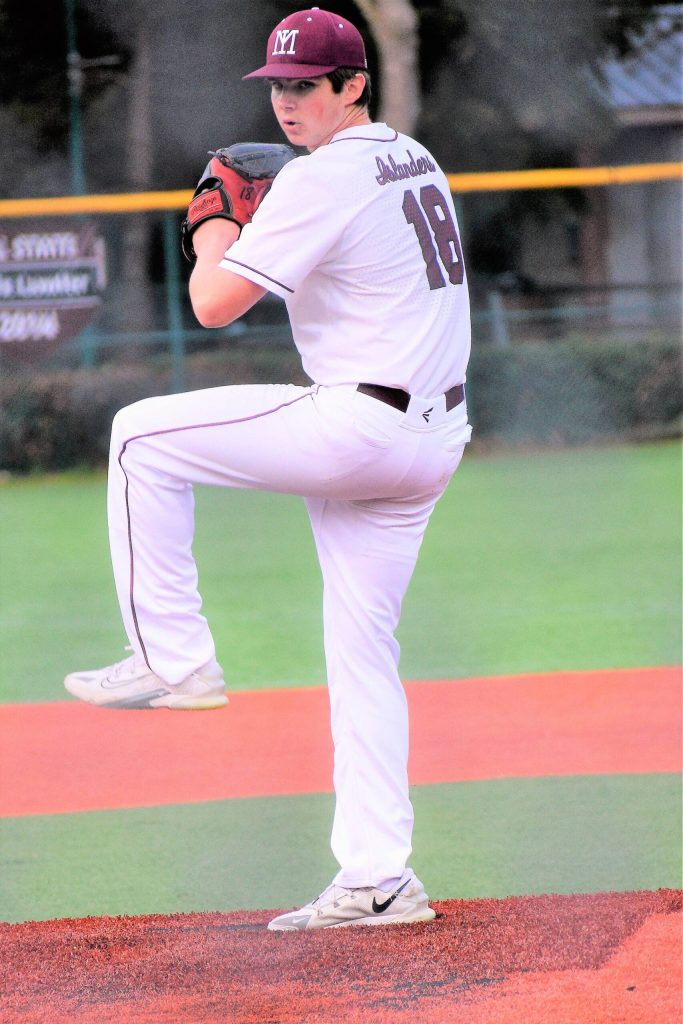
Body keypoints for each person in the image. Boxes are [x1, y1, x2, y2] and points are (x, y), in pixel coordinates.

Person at [64, 7, 472, 931]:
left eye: (306, 85)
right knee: (362, 653)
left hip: (361, 425)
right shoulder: (412, 155)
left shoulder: (321, 178)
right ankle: (378, 877)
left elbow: (211, 305)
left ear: (352, 85)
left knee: (138, 434)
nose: (288, 103)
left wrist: (211, 221)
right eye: (278, 86)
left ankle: (177, 661)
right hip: (431, 441)